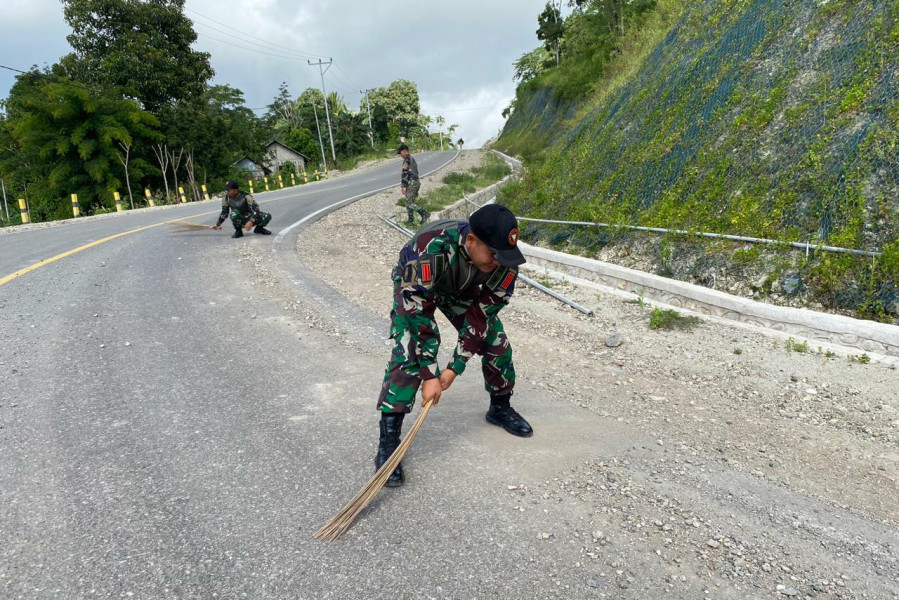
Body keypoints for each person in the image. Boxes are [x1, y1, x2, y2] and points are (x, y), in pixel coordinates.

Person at [374, 203, 532, 487]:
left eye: (504, 255)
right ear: (471, 241)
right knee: (409, 353)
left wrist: (454, 368)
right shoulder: (430, 250)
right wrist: (430, 374)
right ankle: (389, 444)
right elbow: (420, 318)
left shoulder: (504, 261)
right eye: (493, 253)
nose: (498, 261)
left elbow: (481, 317)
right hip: (415, 286)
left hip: (459, 286)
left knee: (496, 342)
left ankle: (500, 407)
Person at [397, 143, 430, 225]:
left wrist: (403, 186)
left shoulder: (407, 159)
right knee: (409, 201)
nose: (400, 155)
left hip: (411, 182)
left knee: (409, 203)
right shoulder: (412, 159)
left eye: (400, 153)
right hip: (416, 181)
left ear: (404, 151)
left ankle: (423, 213)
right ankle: (410, 219)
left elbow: (405, 173)